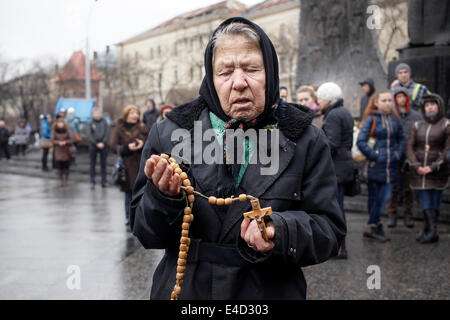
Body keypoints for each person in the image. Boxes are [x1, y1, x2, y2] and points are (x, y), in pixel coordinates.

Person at [130, 17, 345, 300]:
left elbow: (330, 231)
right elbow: (146, 233)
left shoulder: (306, 138)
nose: (239, 82)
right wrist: (163, 199)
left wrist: (279, 230)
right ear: (211, 77)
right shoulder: (171, 132)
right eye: (225, 72)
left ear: (270, 72)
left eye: (252, 68)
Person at [357, 90, 405, 242]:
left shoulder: (395, 119)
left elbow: (402, 138)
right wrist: (375, 156)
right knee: (374, 198)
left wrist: (398, 154)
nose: (387, 103)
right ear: (376, 102)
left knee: (384, 198)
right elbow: (361, 141)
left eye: (390, 100)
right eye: (384, 100)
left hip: (391, 167)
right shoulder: (371, 119)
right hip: (375, 166)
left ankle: (373, 225)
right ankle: (375, 226)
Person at [317, 82, 354, 259]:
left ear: (329, 99)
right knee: (340, 206)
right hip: (346, 164)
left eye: (321, 98)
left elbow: (331, 142)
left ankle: (340, 246)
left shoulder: (332, 116)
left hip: (337, 167)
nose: (319, 102)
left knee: (337, 208)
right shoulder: (344, 112)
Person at [406, 93, 450, 244]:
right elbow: (410, 146)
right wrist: (416, 165)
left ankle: (430, 229)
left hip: (437, 170)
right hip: (419, 170)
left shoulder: (446, 124)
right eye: (427, 105)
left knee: (435, 199)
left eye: (433, 104)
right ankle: (430, 230)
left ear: (439, 106)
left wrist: (434, 166)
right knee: (424, 198)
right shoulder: (418, 125)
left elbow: (447, 148)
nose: (430, 107)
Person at [386, 88, 423, 228]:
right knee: (393, 188)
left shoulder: (416, 116)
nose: (401, 99)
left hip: (410, 156)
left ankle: (408, 215)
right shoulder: (391, 115)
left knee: (409, 188)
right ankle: (392, 214)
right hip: (394, 155)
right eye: (398, 97)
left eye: (403, 97)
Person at [110, 105, 149, 226]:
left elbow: (152, 142)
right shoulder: (119, 129)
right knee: (129, 193)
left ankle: (141, 217)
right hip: (127, 166)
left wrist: (143, 144)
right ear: (126, 115)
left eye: (136, 113)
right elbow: (112, 146)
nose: (135, 116)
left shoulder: (143, 127)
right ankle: (128, 217)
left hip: (141, 165)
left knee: (142, 192)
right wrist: (127, 148)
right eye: (132, 113)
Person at [87, 108, 110, 189]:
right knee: (92, 164)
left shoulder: (105, 122)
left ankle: (104, 181)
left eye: (98, 113)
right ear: (93, 114)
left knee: (103, 164)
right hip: (93, 146)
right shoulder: (90, 123)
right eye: (95, 113)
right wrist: (96, 143)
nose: (97, 115)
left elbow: (107, 133)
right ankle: (92, 182)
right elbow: (89, 135)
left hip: (103, 145)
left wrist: (103, 143)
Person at [51, 118, 73, 187]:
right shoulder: (54, 131)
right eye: (59, 123)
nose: (60, 124)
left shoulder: (67, 131)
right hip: (58, 150)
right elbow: (52, 140)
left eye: (61, 123)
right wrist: (58, 142)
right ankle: (61, 181)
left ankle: (66, 180)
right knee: (60, 167)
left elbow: (71, 140)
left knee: (66, 167)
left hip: (66, 150)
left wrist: (65, 142)